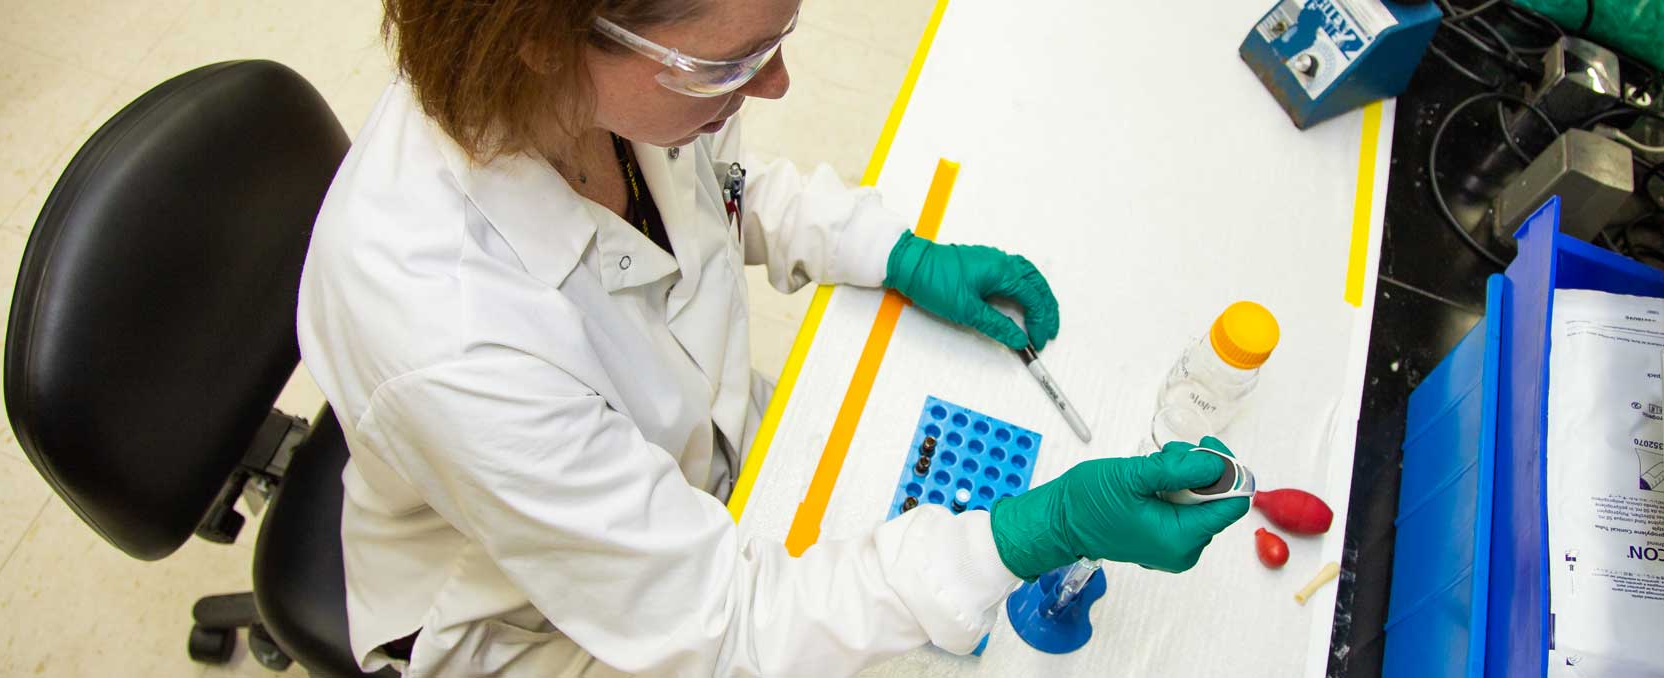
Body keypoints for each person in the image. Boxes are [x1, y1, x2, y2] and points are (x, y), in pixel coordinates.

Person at [295, 0, 1251, 675]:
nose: (780, 84)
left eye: (777, 39)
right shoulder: (452, 338)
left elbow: (718, 185)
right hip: (538, 624)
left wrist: (888, 250)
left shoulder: (582, 88)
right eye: (732, 62)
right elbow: (723, 630)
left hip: (689, 479)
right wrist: (1035, 532)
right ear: (544, 38)